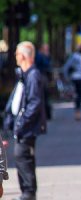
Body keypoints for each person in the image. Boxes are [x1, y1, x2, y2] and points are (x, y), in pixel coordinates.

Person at [3, 41, 47, 200]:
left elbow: (34, 103)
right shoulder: (24, 74)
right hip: (20, 126)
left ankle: (28, 193)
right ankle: (26, 192)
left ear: (22, 55)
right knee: (20, 157)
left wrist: (21, 123)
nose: (14, 56)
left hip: (26, 127)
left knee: (23, 157)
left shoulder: (33, 75)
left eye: (16, 53)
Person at [63, 45, 81, 120]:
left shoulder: (73, 56)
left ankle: (77, 111)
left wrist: (66, 77)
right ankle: (78, 112)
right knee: (80, 95)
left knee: (76, 95)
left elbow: (66, 67)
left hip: (74, 78)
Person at [35, 44, 52, 120]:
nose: (47, 50)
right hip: (41, 76)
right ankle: (44, 114)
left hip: (42, 76)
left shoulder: (41, 55)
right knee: (43, 95)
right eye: (46, 49)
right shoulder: (40, 56)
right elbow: (46, 64)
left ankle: (45, 113)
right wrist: (46, 56)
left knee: (45, 95)